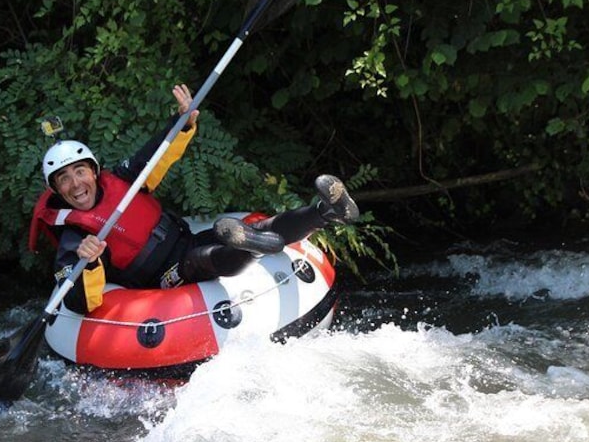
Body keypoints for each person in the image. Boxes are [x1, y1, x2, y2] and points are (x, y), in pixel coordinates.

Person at [28, 84, 360, 314]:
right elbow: (77, 302)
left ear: (94, 172)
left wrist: (182, 121)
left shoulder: (124, 181)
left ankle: (328, 211)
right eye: (64, 179)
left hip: (182, 239)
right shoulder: (74, 239)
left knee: (257, 227)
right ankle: (250, 245)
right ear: (56, 190)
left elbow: (158, 151)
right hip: (164, 275)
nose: (75, 184)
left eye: (80, 172)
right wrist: (90, 262)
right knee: (204, 258)